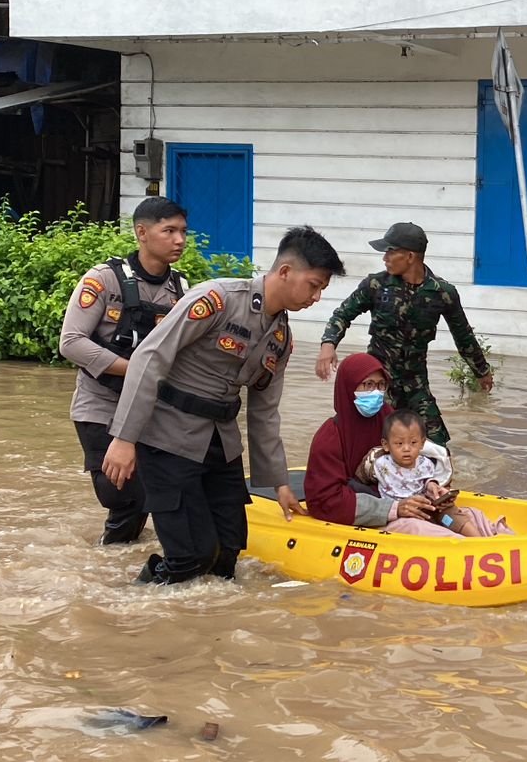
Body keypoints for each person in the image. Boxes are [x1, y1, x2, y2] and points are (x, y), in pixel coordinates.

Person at [102, 225, 345, 584]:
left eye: (322, 289)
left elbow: (264, 412)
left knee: (228, 552)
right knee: (191, 557)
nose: (316, 297)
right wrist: (124, 438)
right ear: (285, 272)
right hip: (167, 438)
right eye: (314, 285)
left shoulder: (280, 337)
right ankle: (133, 600)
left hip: (220, 445)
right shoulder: (217, 299)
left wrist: (278, 482)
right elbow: (149, 358)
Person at [58, 196, 191, 545]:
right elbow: (70, 342)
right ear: (142, 233)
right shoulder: (103, 280)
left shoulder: (182, 289)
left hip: (151, 409)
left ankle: (120, 562)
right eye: (169, 231)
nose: (180, 240)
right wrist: (135, 369)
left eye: (183, 231)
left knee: (158, 494)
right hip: (100, 404)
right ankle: (111, 567)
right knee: (123, 495)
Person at [315, 221, 493, 447]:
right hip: (379, 382)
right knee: (373, 442)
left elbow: (463, 335)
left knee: (436, 445)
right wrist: (328, 345)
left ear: (410, 256)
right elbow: (342, 314)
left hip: (416, 384)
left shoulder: (442, 293)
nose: (385, 258)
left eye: (390, 251)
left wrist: (481, 371)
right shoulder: (376, 285)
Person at [304, 353, 445, 531]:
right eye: (368, 384)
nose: (376, 392)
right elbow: (324, 500)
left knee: (467, 515)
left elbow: (415, 459)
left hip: (405, 500)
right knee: (418, 528)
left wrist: (432, 485)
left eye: (381, 385)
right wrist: (393, 509)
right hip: (376, 512)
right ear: (348, 387)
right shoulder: (330, 436)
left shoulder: (389, 420)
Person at [357, 410, 513, 537]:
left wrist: (433, 487)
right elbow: (359, 478)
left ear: (422, 444)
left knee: (450, 514)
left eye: (413, 443)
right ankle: (458, 543)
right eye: (399, 444)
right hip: (402, 513)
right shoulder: (380, 464)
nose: (406, 449)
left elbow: (426, 482)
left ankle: (477, 540)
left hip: (429, 509)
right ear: (386, 445)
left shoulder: (424, 463)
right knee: (417, 526)